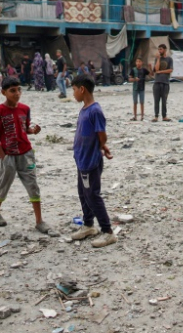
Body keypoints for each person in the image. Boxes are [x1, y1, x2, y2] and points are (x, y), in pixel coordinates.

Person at [0, 76, 57, 235]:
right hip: (8, 155)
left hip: (26, 154)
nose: (17, 93)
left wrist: (33, 131)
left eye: (19, 90)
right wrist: (2, 155)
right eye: (12, 91)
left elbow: (25, 129)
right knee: (4, 183)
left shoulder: (25, 109)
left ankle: (39, 221)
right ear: (3, 92)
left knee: (33, 185)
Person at [69, 74, 117, 248]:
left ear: (82, 89)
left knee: (92, 195)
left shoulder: (95, 111)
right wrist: (102, 146)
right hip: (82, 160)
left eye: (74, 89)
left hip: (90, 162)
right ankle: (88, 225)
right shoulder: (85, 109)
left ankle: (108, 232)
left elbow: (101, 134)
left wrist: (102, 146)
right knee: (83, 193)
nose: (73, 93)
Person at [150, 44, 173, 122]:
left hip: (165, 82)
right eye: (159, 49)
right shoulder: (157, 59)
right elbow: (156, 69)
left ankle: (164, 116)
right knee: (156, 100)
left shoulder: (169, 59)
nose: (159, 51)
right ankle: (156, 116)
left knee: (164, 100)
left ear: (165, 50)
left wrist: (161, 71)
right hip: (157, 82)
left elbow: (170, 70)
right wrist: (158, 59)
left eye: (161, 49)